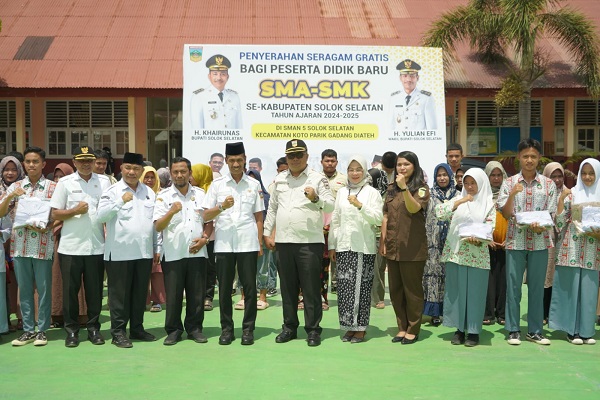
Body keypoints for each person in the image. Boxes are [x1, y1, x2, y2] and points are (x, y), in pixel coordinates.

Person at [264, 139, 334, 347]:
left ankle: (313, 330)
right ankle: (289, 327)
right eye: (291, 156)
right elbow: (273, 209)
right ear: (286, 157)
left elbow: (330, 206)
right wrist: (268, 233)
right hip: (284, 242)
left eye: (298, 155)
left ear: (306, 156)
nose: (294, 159)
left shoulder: (318, 179)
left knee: (311, 288)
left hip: (309, 243)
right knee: (287, 288)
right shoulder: (279, 180)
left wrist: (315, 199)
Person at [203, 142, 264, 346]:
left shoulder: (253, 185)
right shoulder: (217, 185)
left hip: (248, 243)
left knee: (249, 287)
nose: (236, 164)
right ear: (226, 162)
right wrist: (221, 206)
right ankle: (227, 329)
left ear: (245, 159)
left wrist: (260, 242)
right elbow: (205, 215)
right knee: (225, 289)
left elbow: (258, 217)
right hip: (224, 245)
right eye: (232, 160)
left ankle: (248, 329)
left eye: (239, 160)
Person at [50, 147, 111, 347]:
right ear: (74, 162)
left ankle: (94, 329)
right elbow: (55, 214)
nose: (86, 164)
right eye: (81, 160)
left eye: (89, 160)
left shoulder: (104, 182)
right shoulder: (65, 183)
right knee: (70, 292)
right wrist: (74, 210)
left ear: (94, 162)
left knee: (94, 293)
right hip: (71, 247)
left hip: (96, 247)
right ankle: (72, 331)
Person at [498, 138, 557, 346]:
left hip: (540, 242)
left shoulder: (548, 185)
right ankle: (513, 329)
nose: (529, 160)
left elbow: (551, 215)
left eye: (533, 156)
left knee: (536, 288)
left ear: (539, 158)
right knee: (513, 286)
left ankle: (535, 330)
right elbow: (505, 214)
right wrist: (513, 194)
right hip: (515, 242)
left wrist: (542, 225)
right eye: (525, 156)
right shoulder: (509, 183)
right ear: (518, 158)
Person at [97, 152, 160, 348]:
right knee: (119, 296)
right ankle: (118, 332)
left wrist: (157, 247)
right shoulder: (112, 191)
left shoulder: (149, 193)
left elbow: (154, 223)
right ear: (121, 169)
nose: (132, 172)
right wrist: (120, 202)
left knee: (140, 293)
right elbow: (100, 217)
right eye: (128, 168)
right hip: (119, 253)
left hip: (143, 252)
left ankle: (137, 328)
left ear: (141, 171)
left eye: (136, 169)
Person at [0, 147, 56, 347]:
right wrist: (9, 196)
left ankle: (42, 330)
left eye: (35, 161)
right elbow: (1, 212)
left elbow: (57, 215)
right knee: (24, 289)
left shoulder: (52, 187)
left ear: (43, 164)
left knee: (43, 289)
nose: (31, 165)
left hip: (42, 243)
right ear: (24, 164)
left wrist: (47, 226)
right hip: (20, 245)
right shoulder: (16, 186)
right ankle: (27, 330)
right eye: (28, 161)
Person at [154, 157, 212, 346]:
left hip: (197, 252)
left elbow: (209, 221)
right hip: (173, 253)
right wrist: (170, 212)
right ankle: (173, 330)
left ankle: (195, 329)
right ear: (171, 174)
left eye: (183, 171)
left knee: (197, 295)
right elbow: (158, 226)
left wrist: (204, 239)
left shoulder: (201, 194)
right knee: (174, 295)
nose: (179, 175)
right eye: (175, 172)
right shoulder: (163, 196)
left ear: (189, 173)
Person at [437, 168, 495, 347]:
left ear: (481, 183)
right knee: (457, 292)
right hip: (456, 254)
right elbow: (440, 213)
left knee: (475, 293)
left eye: (473, 183)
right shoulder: (457, 200)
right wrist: (461, 201)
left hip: (478, 254)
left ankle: (474, 331)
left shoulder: (489, 204)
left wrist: (478, 238)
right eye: (467, 183)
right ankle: (459, 329)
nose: (469, 187)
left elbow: (490, 226)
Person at [329, 155, 383, 343]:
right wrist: (332, 245)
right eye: (351, 169)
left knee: (361, 288)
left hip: (363, 246)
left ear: (365, 171)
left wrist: (360, 206)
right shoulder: (342, 192)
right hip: (344, 246)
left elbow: (378, 219)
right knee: (344, 289)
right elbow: (336, 219)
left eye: (358, 169)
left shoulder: (372, 193)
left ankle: (360, 327)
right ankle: (348, 326)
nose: (354, 173)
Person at [381, 151, 430, 344]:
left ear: (414, 166)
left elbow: (413, 208)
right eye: (399, 164)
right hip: (393, 246)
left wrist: (404, 189)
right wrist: (383, 242)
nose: (402, 168)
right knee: (395, 290)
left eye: (406, 164)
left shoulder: (422, 188)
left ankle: (413, 328)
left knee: (412, 291)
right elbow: (385, 215)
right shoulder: (391, 188)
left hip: (412, 247)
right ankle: (401, 327)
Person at [550, 158, 600, 345]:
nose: (587, 177)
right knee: (570, 289)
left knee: (588, 289)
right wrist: (561, 200)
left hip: (592, 249)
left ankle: (586, 331)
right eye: (584, 173)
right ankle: (572, 331)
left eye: (591, 173)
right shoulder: (572, 195)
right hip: (570, 248)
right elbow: (560, 223)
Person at [50, 163, 88, 329]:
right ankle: (61, 317)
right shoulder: (59, 188)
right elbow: (54, 213)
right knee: (61, 282)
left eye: (61, 175)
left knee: (81, 284)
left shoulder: (94, 184)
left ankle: (83, 316)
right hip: (61, 242)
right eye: (55, 176)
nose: (58, 179)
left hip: (84, 242)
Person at [423, 163, 460, 326]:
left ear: (450, 176)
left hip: (453, 242)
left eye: (445, 174)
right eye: (439, 175)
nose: (442, 178)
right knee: (433, 277)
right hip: (433, 243)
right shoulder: (429, 196)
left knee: (451, 276)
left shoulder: (459, 195)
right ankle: (434, 313)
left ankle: (450, 310)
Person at [0, 155, 25, 332]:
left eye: (13, 169)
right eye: (6, 169)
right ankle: (5, 320)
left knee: (20, 281)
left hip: (21, 238)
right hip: (2, 242)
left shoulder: (24, 188)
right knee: (4, 283)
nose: (10, 173)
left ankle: (22, 318)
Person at [369, 151, 396, 310]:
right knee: (377, 267)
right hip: (377, 226)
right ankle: (378, 298)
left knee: (393, 266)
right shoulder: (373, 174)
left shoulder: (399, 174)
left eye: (392, 169)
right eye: (388, 169)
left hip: (394, 227)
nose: (390, 172)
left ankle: (395, 296)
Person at [483, 161, 509, 326]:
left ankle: (502, 313)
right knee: (488, 279)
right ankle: (488, 312)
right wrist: (486, 238)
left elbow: (513, 217)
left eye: (499, 175)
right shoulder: (482, 195)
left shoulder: (509, 195)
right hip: (487, 244)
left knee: (504, 279)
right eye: (493, 175)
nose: (496, 178)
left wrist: (510, 238)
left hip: (507, 244)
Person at [542, 162, 567, 324]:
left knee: (561, 276)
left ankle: (559, 313)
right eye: (553, 176)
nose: (556, 180)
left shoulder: (569, 194)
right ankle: (544, 312)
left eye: (559, 176)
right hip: (546, 238)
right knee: (547, 274)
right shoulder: (542, 193)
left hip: (564, 240)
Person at [190, 54, 242, 130]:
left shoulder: (234, 96)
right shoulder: (199, 97)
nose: (219, 77)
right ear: (209, 76)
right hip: (210, 142)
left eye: (223, 74)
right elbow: (196, 130)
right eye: (215, 74)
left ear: (227, 77)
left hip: (232, 141)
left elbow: (239, 127)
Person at [321, 149, 346, 301]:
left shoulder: (344, 179)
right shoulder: (315, 178)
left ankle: (341, 294)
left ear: (337, 162)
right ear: (321, 162)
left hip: (338, 226)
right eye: (327, 161)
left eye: (332, 161)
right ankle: (322, 295)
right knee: (322, 264)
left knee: (339, 260)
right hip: (321, 227)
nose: (330, 163)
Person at [140, 166, 166, 313]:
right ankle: (143, 299)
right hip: (142, 238)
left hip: (158, 236)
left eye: (152, 177)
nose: (149, 180)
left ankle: (157, 300)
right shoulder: (137, 194)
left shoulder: (162, 194)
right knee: (142, 272)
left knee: (157, 271)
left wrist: (158, 246)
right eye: (146, 177)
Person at [246, 168, 272, 310]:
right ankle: (245, 297)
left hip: (262, 237)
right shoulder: (242, 195)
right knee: (245, 269)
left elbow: (269, 218)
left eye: (254, 179)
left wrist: (264, 237)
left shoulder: (266, 197)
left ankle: (262, 297)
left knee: (262, 268)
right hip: (246, 238)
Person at [390, 59, 437, 131]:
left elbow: (432, 129)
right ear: (400, 78)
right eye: (405, 76)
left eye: (412, 76)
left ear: (417, 78)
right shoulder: (394, 98)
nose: (408, 79)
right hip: (399, 142)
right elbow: (391, 126)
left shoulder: (426, 98)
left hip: (419, 142)